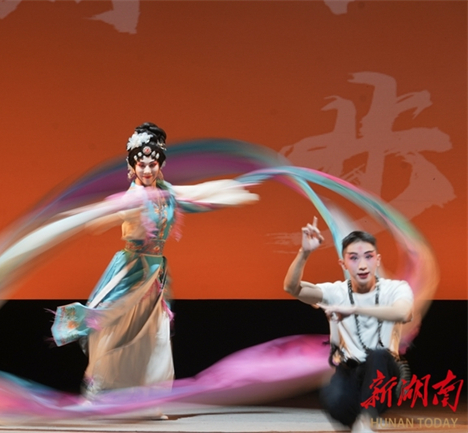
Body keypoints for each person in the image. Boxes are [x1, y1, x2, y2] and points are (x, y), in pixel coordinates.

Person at [51, 122, 257, 401]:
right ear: (132, 166)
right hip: (130, 272)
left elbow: (196, 193)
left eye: (152, 164)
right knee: (113, 329)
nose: (147, 170)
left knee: (155, 334)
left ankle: (151, 397)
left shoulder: (166, 192)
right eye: (141, 165)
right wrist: (92, 217)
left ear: (160, 165)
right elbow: (109, 211)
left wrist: (232, 190)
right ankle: (98, 390)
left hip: (154, 273)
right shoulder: (133, 197)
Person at [283, 217, 413, 433]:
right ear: (343, 264)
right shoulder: (336, 292)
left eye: (368, 257)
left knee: (378, 355)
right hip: (349, 370)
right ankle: (359, 416)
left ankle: (367, 418)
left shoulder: (396, 289)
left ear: (377, 260)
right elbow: (292, 288)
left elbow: (403, 312)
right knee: (336, 404)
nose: (362, 265)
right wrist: (304, 253)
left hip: (385, 376)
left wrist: (354, 309)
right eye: (353, 258)